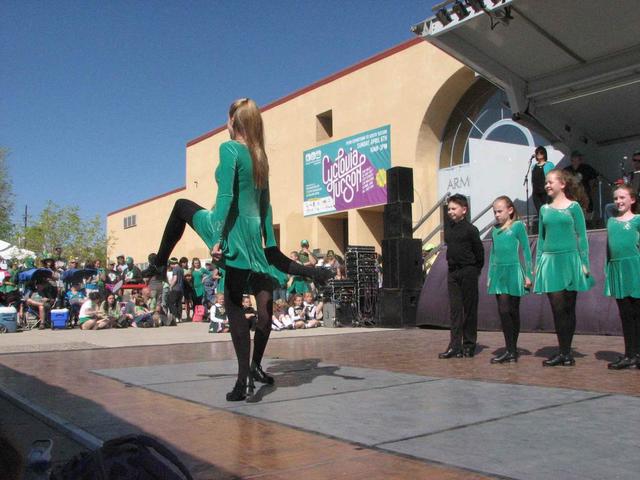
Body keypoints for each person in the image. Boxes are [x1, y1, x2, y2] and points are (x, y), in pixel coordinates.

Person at [143, 98, 332, 400]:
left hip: (228, 226)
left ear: (235, 122)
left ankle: (244, 379)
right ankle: (252, 369)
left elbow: (228, 193)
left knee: (181, 208)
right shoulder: (260, 158)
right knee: (265, 314)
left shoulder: (229, 149)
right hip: (253, 233)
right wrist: (274, 247)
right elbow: (265, 207)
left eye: (228, 119)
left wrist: (219, 237)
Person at [534, 169, 594, 366]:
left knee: (569, 307)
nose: (547, 185)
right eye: (546, 183)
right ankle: (562, 350)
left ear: (563, 184)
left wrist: (584, 263)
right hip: (551, 262)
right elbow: (541, 239)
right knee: (558, 308)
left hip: (570, 260)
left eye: (550, 182)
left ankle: (567, 352)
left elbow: (582, 236)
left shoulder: (574, 207)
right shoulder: (544, 210)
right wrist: (537, 264)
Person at [438, 193, 484, 359]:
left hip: (468, 271)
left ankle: (469, 345)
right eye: (449, 209)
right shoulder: (449, 229)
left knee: (470, 309)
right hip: (453, 272)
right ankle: (454, 345)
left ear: (464, 210)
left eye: (453, 208)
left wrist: (475, 269)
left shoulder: (471, 230)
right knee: (455, 310)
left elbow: (479, 253)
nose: (450, 211)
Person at [487, 196, 532, 363]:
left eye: (500, 211)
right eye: (495, 212)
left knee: (513, 310)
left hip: (514, 271)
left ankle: (512, 349)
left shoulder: (518, 226)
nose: (497, 215)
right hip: (499, 273)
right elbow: (493, 254)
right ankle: (509, 349)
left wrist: (529, 273)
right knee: (503, 310)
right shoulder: (494, 230)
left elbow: (527, 250)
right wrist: (490, 274)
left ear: (510, 210)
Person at [603, 184, 640, 369]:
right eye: (616, 198)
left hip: (635, 268)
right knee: (625, 314)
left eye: (622, 197)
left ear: (632, 199)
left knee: (637, 313)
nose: (618, 201)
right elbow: (609, 250)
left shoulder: (637, 220)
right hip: (618, 271)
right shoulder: (611, 222)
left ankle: (637, 354)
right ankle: (630, 354)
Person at [563, 151, 599, 215]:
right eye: (576, 157)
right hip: (571, 197)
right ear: (572, 159)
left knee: (587, 214)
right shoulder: (566, 170)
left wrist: (593, 190)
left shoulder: (587, 168)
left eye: (579, 157)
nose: (578, 158)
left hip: (585, 195)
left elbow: (596, 178)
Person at [531, 146, 555, 214]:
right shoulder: (534, 166)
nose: (539, 154)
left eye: (541, 153)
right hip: (536, 192)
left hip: (546, 191)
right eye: (537, 153)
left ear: (544, 154)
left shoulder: (549, 164)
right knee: (540, 212)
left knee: (547, 211)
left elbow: (554, 177)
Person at [167, 257, 184, 323]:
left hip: (175, 289)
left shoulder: (175, 269)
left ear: (172, 263)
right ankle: (180, 318)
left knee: (170, 303)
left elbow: (175, 278)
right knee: (179, 303)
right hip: (181, 289)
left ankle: (176, 316)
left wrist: (171, 286)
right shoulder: (181, 269)